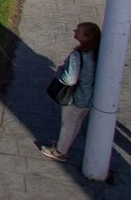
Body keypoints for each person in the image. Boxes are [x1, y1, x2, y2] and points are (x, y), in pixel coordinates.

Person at [40, 22, 101, 162]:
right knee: (76, 123)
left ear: (86, 38)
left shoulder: (77, 54)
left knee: (67, 125)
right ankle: (64, 147)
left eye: (78, 31)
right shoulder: (97, 52)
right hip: (89, 97)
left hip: (75, 96)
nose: (74, 31)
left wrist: (60, 71)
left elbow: (70, 79)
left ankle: (59, 152)